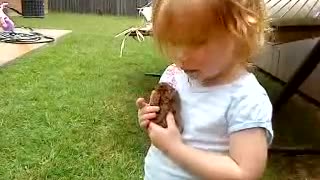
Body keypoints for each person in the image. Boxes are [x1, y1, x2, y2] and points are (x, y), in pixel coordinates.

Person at [136, 0, 274, 179]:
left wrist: (174, 148)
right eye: (174, 42)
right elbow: (170, 127)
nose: (181, 56)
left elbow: (244, 173)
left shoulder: (246, 98)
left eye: (196, 42)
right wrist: (151, 118)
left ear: (240, 33)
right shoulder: (174, 74)